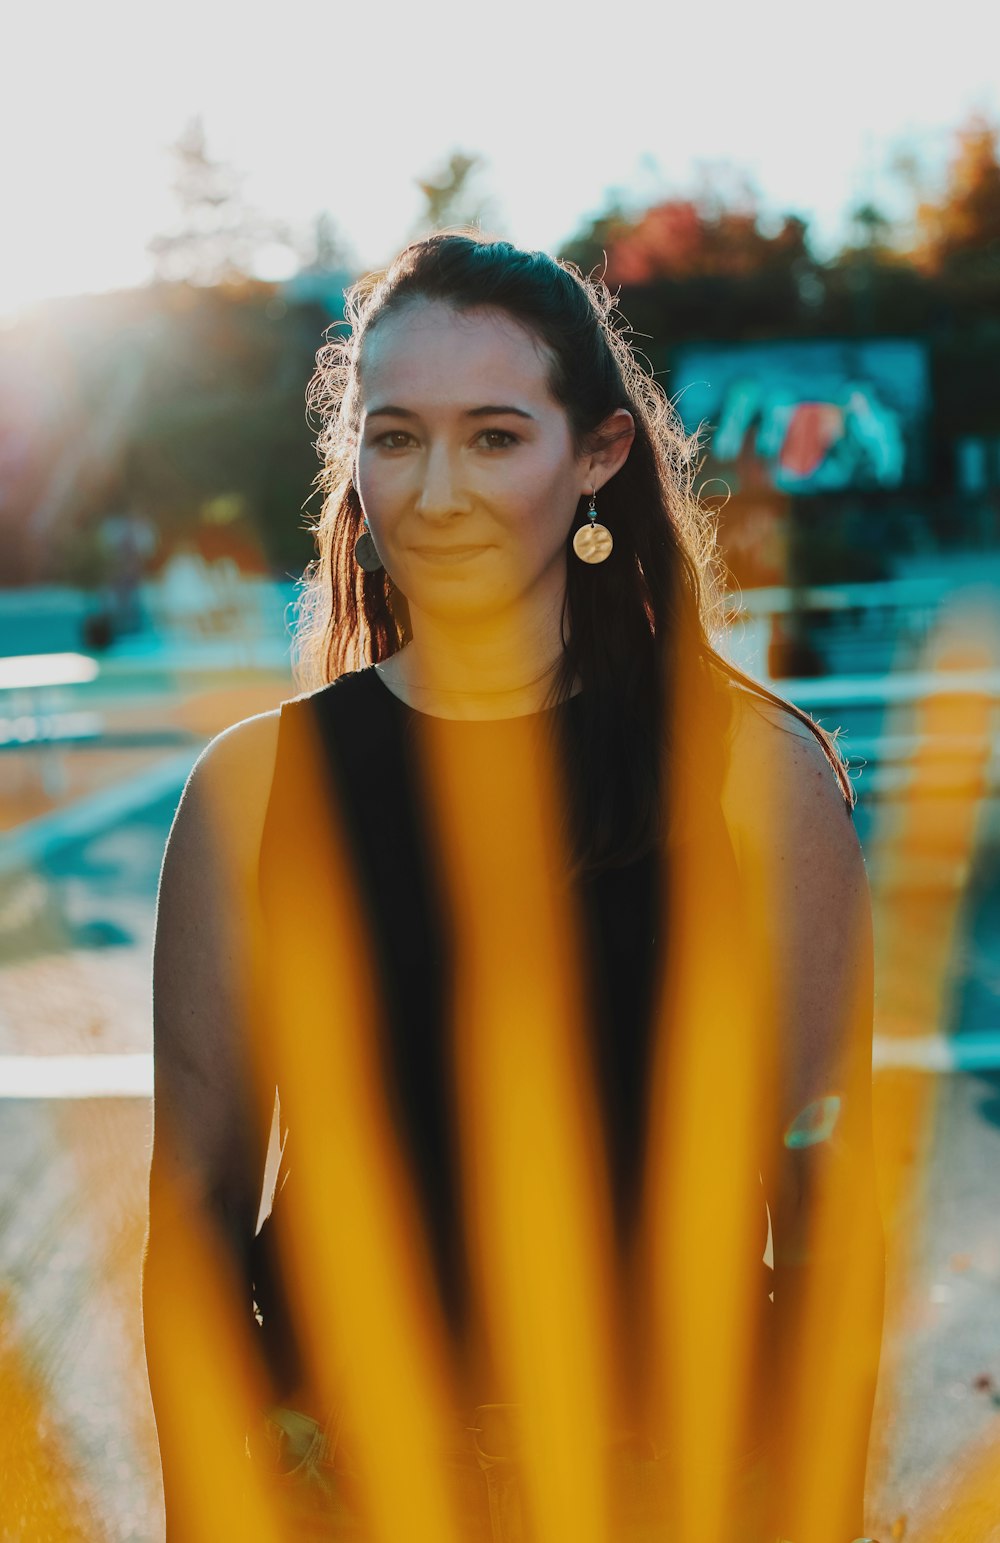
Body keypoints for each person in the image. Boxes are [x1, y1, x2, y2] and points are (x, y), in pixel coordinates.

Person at [142, 231, 885, 1543]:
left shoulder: (752, 780)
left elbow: (822, 1203)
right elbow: (197, 1214)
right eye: (396, 437)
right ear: (354, 466)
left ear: (597, 455)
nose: (437, 492)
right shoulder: (253, 792)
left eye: (495, 437)